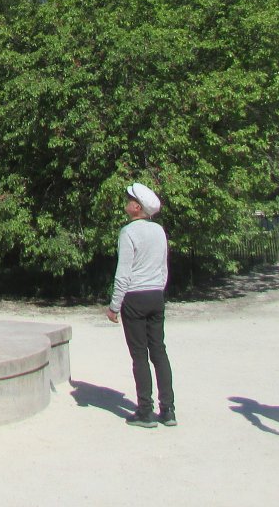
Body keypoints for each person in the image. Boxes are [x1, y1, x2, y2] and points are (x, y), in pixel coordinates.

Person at [105, 182, 175, 428]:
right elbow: (163, 268)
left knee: (139, 356)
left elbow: (123, 273)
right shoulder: (159, 231)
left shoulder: (129, 232)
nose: (125, 202)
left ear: (136, 207)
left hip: (135, 297)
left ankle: (145, 410)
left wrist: (115, 305)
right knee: (159, 351)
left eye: (128, 199)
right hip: (156, 294)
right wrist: (158, 289)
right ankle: (168, 410)